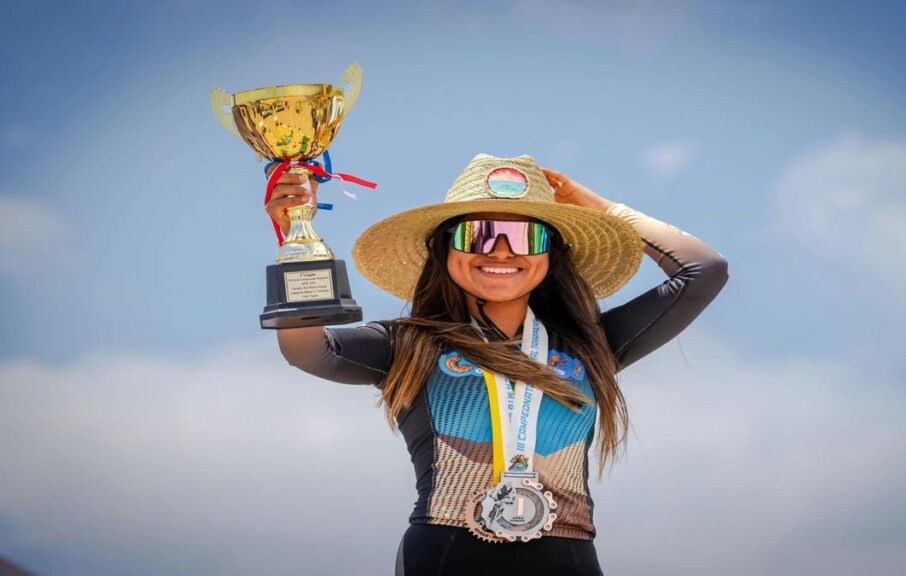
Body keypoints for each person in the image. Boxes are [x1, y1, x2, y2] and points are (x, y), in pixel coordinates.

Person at [264, 154, 729, 575]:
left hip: (569, 558)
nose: (501, 251)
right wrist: (294, 236)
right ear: (445, 249)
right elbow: (306, 348)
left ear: (552, 253)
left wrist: (598, 208)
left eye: (526, 235)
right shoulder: (408, 344)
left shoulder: (592, 346)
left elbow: (704, 271)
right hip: (443, 556)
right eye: (478, 234)